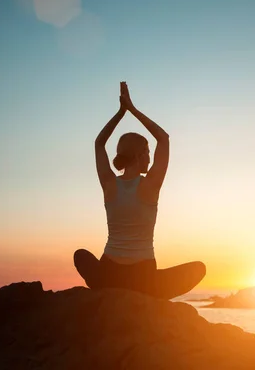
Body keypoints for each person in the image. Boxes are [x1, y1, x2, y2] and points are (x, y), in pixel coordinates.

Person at [73, 82, 206, 300]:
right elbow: (164, 138)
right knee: (199, 268)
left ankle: (108, 289)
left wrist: (120, 113)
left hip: (109, 273)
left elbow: (99, 144)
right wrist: (132, 110)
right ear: (138, 155)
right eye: (147, 151)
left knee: (80, 256)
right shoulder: (150, 185)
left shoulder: (109, 183)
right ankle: (149, 293)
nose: (150, 157)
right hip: (143, 276)